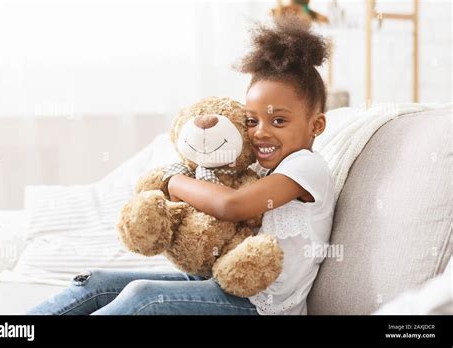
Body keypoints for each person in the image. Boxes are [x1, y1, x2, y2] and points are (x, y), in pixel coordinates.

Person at [27, 14, 334, 315]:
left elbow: (234, 206)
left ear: (316, 125)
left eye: (278, 120)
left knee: (144, 296)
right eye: (251, 121)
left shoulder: (306, 167)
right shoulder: (264, 169)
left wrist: (173, 181)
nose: (260, 132)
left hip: (258, 306)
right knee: (95, 283)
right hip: (219, 282)